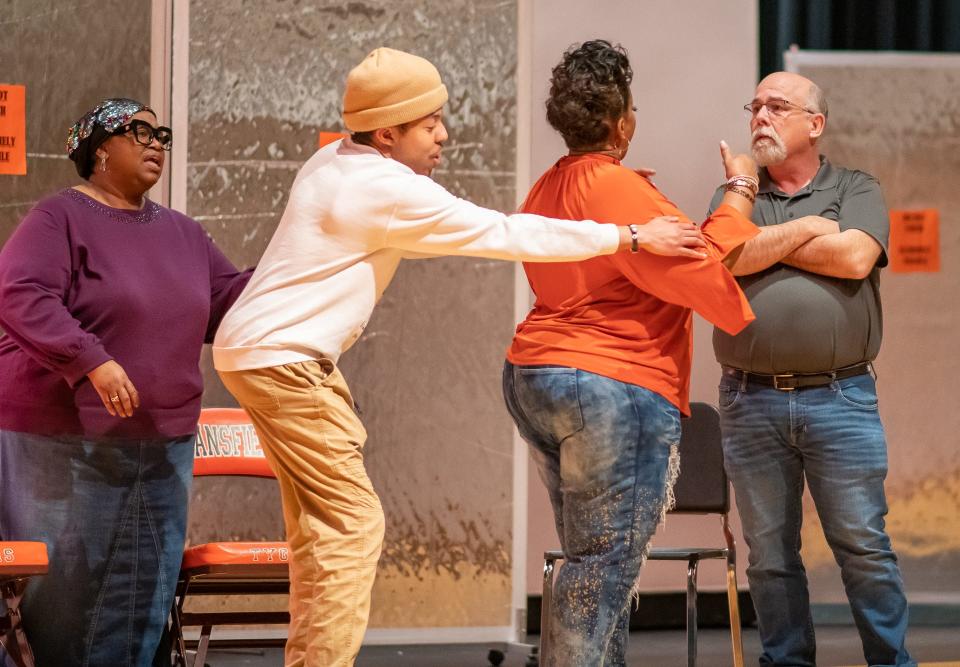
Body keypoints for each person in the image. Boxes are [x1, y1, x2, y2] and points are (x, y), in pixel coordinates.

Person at [211, 47, 708, 667]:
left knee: (320, 529)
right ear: (387, 132)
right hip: (285, 359)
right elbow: (503, 233)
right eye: (430, 124)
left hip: (257, 353)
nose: (445, 135)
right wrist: (631, 235)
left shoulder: (333, 160)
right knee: (352, 528)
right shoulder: (386, 188)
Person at [502, 40, 760, 666]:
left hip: (534, 375)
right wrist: (740, 188)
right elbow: (700, 259)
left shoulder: (547, 186)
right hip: (608, 384)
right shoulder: (617, 189)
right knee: (602, 570)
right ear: (622, 123)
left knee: (590, 562)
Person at [0, 98, 252, 666]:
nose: (154, 141)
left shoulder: (184, 235)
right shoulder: (58, 218)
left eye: (160, 133)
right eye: (136, 131)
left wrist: (304, 263)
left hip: (162, 443)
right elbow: (20, 293)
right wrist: (91, 359)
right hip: (65, 442)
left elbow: (228, 302)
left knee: (141, 598)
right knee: (65, 606)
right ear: (97, 149)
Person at [713, 72, 914, 667]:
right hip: (749, 402)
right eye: (755, 106)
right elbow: (721, 256)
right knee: (769, 555)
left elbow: (855, 257)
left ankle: (890, 661)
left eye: (777, 107)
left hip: (840, 398)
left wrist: (761, 244)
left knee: (862, 546)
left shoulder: (856, 185)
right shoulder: (738, 192)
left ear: (814, 124)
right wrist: (805, 228)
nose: (760, 118)